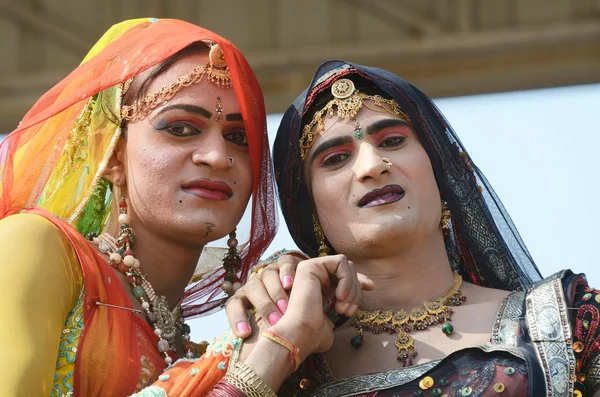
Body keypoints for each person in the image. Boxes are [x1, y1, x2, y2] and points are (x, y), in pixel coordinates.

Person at [222, 61, 600, 396]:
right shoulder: (287, 358)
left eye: (393, 141)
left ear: (442, 173)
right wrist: (278, 346)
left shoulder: (568, 320)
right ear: (310, 213)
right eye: (336, 159)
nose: (372, 165)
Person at [0, 18, 286, 396]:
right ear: (112, 152)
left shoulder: (194, 351)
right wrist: (245, 380)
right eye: (180, 128)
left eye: (237, 137)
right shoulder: (37, 248)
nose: (218, 157)